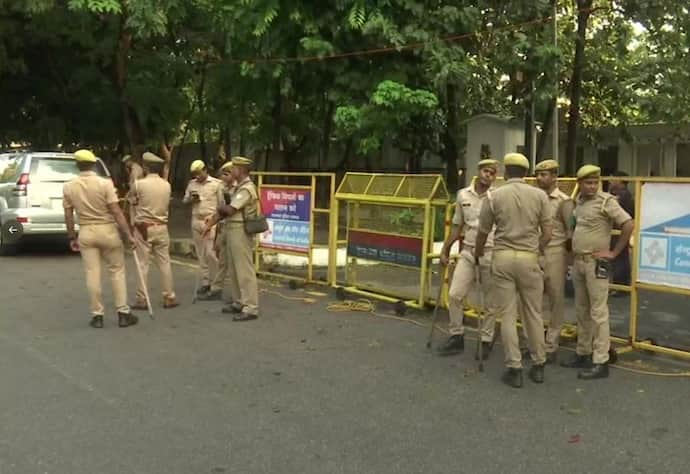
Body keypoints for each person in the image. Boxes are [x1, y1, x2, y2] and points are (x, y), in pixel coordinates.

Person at [474, 153, 552, 388]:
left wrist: (478, 253)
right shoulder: (539, 195)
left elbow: (483, 232)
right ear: (526, 174)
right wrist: (535, 249)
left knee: (507, 314)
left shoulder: (494, 196)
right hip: (529, 258)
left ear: (506, 172)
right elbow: (548, 233)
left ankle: (514, 368)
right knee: (533, 313)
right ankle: (539, 364)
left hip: (503, 258)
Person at [561, 165, 633, 380]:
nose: (592, 186)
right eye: (588, 183)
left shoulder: (606, 201)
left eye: (595, 182)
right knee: (581, 309)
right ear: (580, 184)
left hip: (596, 262)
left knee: (598, 313)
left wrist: (614, 251)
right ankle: (583, 351)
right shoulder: (579, 203)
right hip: (580, 261)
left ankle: (600, 360)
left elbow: (628, 224)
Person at [63, 149, 139, 329]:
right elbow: (116, 211)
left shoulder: (69, 186)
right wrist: (128, 234)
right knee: (117, 271)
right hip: (108, 230)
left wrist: (71, 235)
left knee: (92, 273)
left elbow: (68, 214)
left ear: (77, 165)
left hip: (86, 231)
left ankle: (97, 315)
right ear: (93, 164)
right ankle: (123, 312)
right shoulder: (105, 184)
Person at [437, 159, 499, 359]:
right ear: (478, 172)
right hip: (469, 251)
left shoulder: (498, 197)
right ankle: (456, 336)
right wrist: (445, 249)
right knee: (455, 294)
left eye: (492, 172)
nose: (488, 175)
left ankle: (487, 340)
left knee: (490, 300)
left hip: (491, 251)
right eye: (485, 171)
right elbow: (457, 226)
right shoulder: (463, 195)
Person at [204, 156, 260, 321]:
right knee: (234, 269)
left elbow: (230, 210)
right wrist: (211, 223)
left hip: (240, 230)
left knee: (244, 269)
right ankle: (239, 301)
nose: (232, 170)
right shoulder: (237, 188)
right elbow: (224, 211)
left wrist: (221, 208)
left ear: (241, 170)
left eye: (234, 168)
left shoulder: (246, 189)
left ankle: (251, 307)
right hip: (231, 229)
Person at [533, 159, 574, 364]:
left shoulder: (563, 201)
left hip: (555, 253)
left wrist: (568, 260)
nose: (540, 178)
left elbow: (570, 232)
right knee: (533, 300)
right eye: (538, 174)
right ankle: (536, 342)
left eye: (545, 174)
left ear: (555, 176)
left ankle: (552, 345)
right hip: (533, 252)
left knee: (556, 299)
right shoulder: (533, 197)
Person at [131, 152, 179, 310]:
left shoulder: (139, 184)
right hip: (162, 227)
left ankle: (142, 298)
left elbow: (132, 202)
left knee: (143, 264)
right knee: (165, 263)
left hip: (144, 227)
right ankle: (169, 296)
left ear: (145, 167)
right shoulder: (167, 185)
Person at [183, 160, 222, 298]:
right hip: (196, 220)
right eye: (195, 174)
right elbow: (185, 200)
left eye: (199, 173)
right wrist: (191, 200)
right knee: (201, 254)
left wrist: (214, 221)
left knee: (211, 254)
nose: (197, 177)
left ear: (205, 170)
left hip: (210, 221)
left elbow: (222, 205)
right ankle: (206, 282)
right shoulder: (191, 184)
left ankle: (216, 284)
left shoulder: (217, 184)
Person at [203, 161, 237, 306]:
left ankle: (239, 296)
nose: (223, 177)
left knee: (236, 264)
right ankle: (216, 288)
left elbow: (231, 210)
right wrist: (211, 224)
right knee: (222, 260)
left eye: (227, 173)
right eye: (222, 173)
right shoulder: (221, 188)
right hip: (224, 226)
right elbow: (219, 210)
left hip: (237, 229)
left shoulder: (240, 189)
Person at [608, 171, 634, 291]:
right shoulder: (617, 194)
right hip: (616, 230)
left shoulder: (623, 195)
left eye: (613, 179)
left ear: (620, 181)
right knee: (619, 258)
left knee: (620, 257)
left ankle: (621, 285)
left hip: (620, 230)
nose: (610, 181)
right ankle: (619, 284)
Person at [123, 153, 144, 226]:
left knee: (134, 213)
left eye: (126, 163)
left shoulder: (135, 169)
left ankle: (135, 227)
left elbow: (135, 182)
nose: (126, 165)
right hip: (134, 192)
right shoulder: (134, 168)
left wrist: (134, 195)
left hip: (135, 193)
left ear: (129, 161)